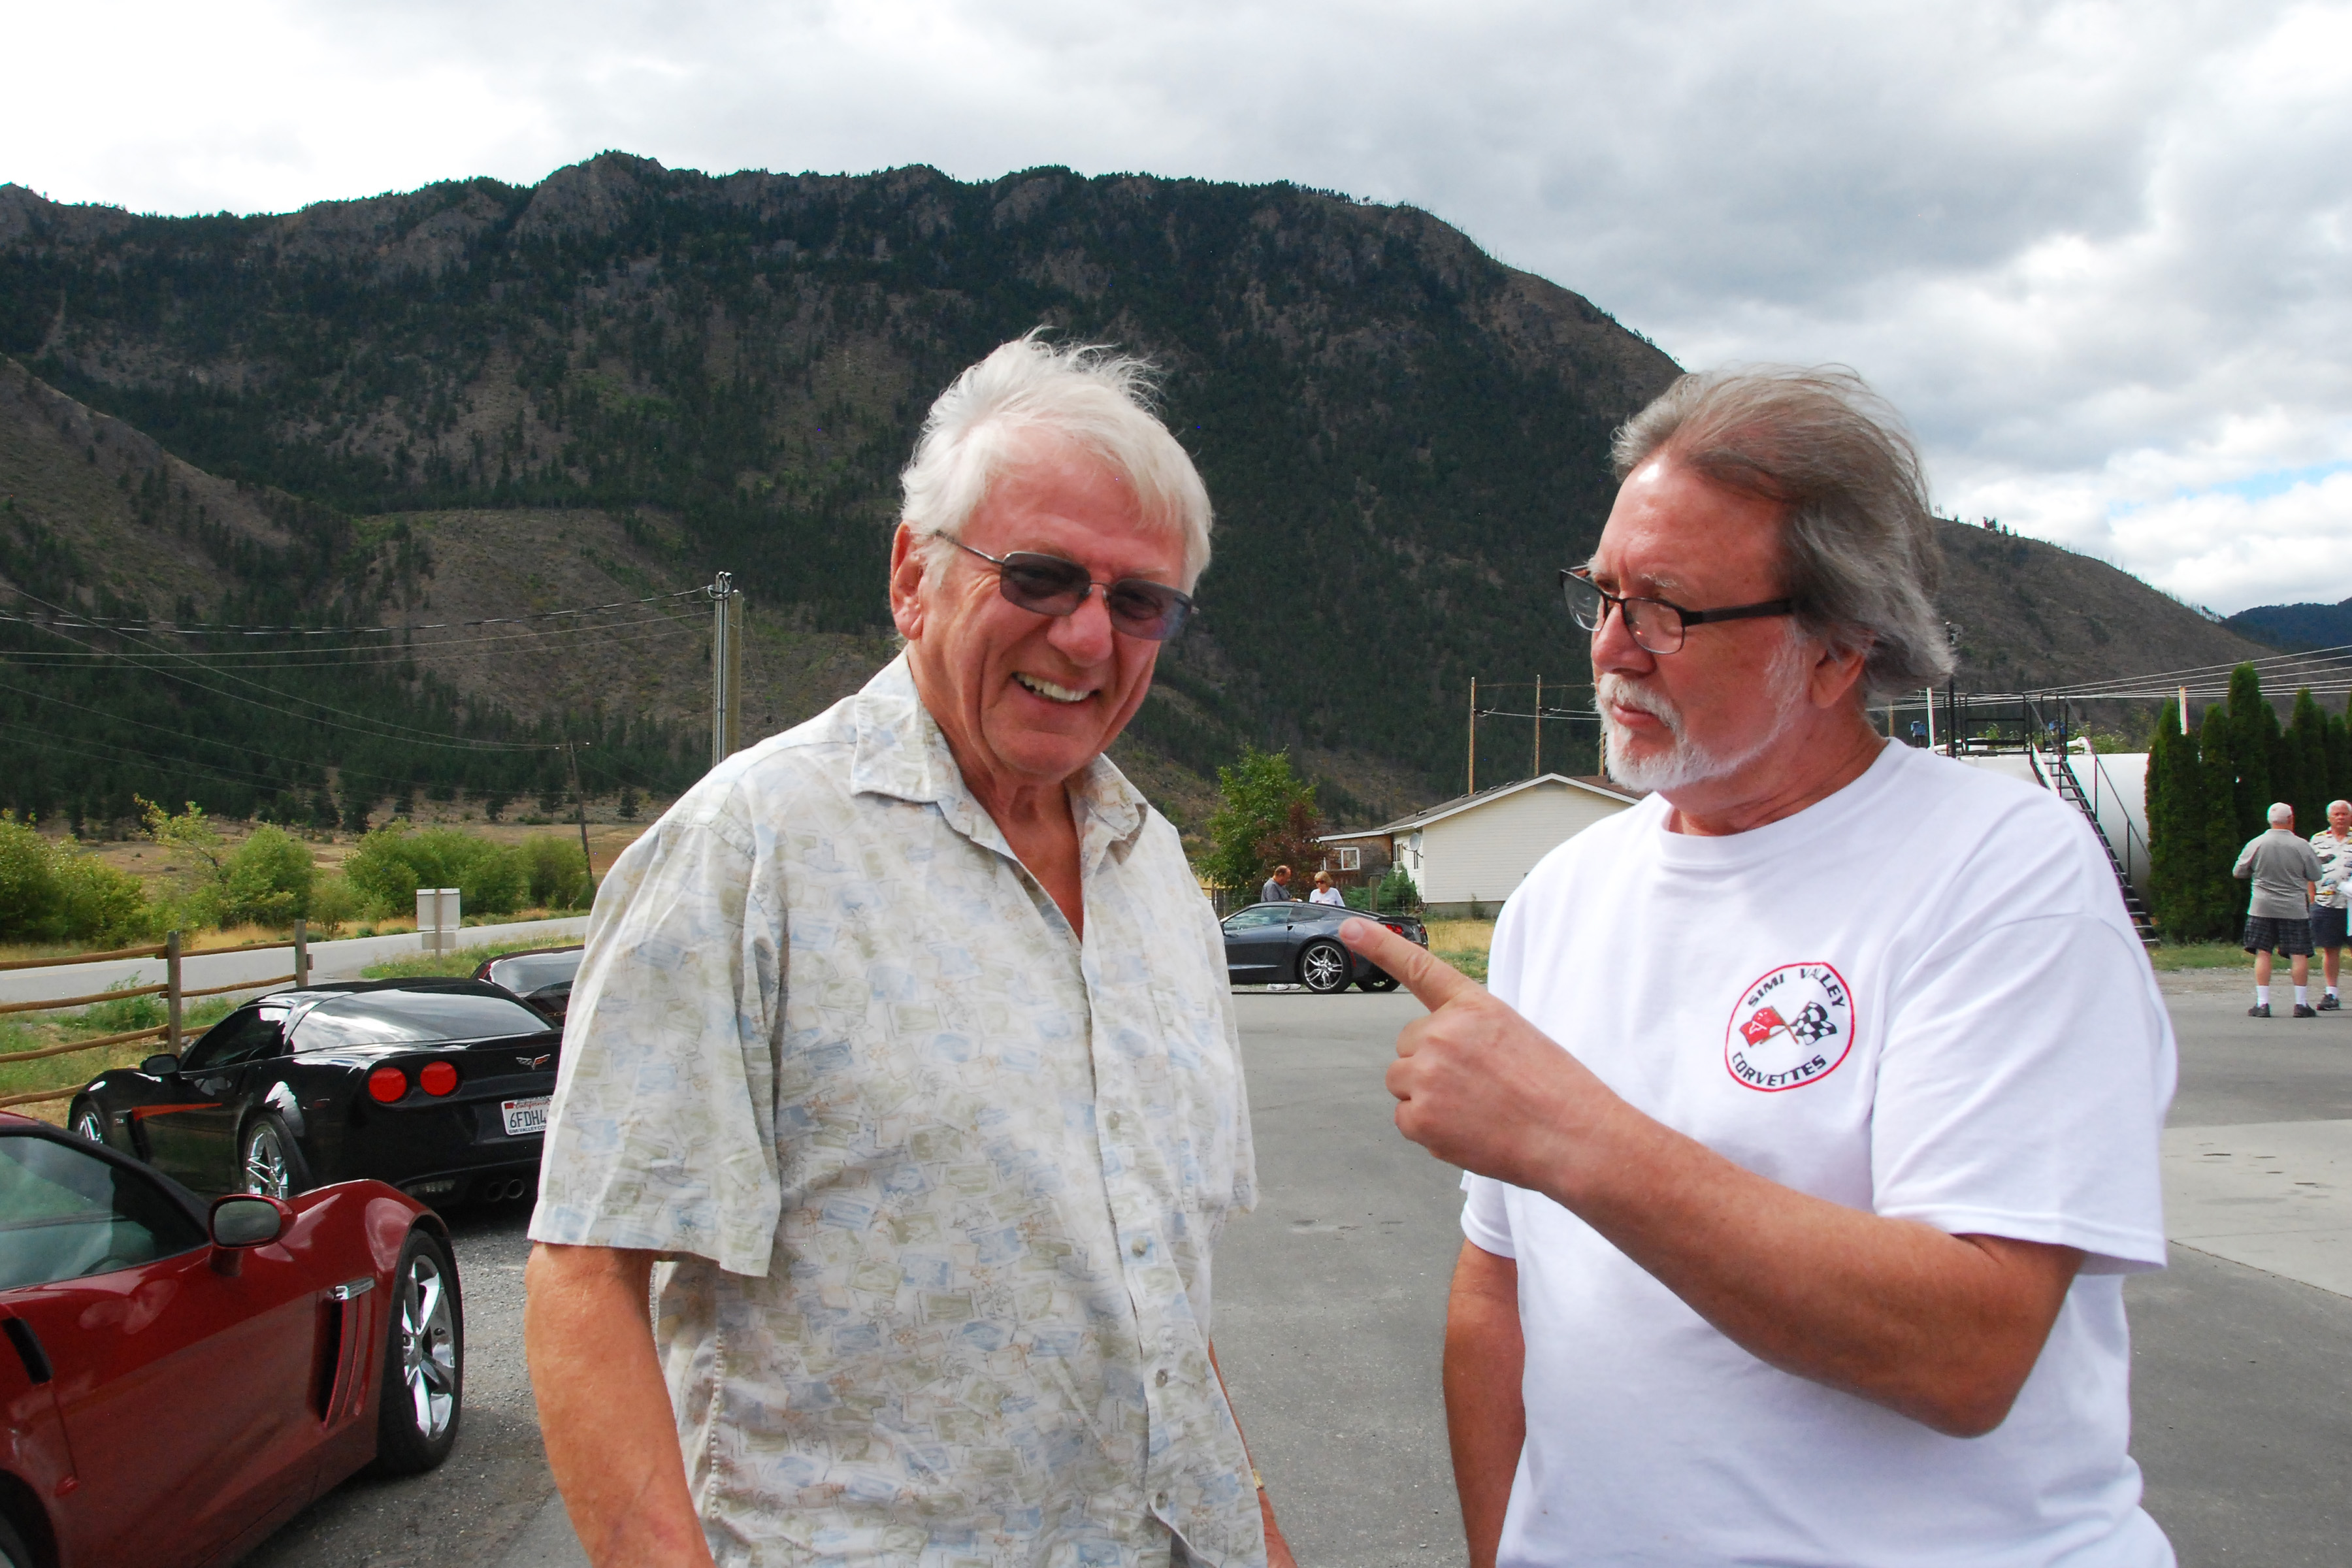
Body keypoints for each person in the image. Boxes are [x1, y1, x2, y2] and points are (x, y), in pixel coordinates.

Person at [1340, 366, 2175, 1567]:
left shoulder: (2003, 876)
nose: (1615, 651)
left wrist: (1571, 1133)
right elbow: (1501, 1296)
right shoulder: (1563, 898)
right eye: (1603, 594)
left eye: (1667, 609)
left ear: (1839, 650)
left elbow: (1970, 1349)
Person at [525, 335, 1292, 1568]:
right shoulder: (750, 848)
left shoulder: (1155, 872)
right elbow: (584, 1273)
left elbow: (1155, 1296)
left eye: (1138, 600)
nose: (1089, 640)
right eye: (1040, 577)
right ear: (912, 576)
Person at [2235, 802, 2323, 1018]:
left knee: (2263, 952)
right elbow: (2316, 874)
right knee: (2299, 953)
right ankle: (2301, 1004)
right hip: (2293, 907)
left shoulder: (2257, 843)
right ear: (2291, 819)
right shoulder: (2301, 845)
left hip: (2262, 906)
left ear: (2269, 820)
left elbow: (2239, 871)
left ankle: (2263, 1004)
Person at [2309, 799, 2351, 1009]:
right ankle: (2331, 994)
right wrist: (2312, 899)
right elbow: (2308, 871)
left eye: (2344, 814)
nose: (2341, 817)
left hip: (2351, 906)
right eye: (2337, 814)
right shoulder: (2317, 840)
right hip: (2326, 902)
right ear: (2329, 818)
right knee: (2330, 949)